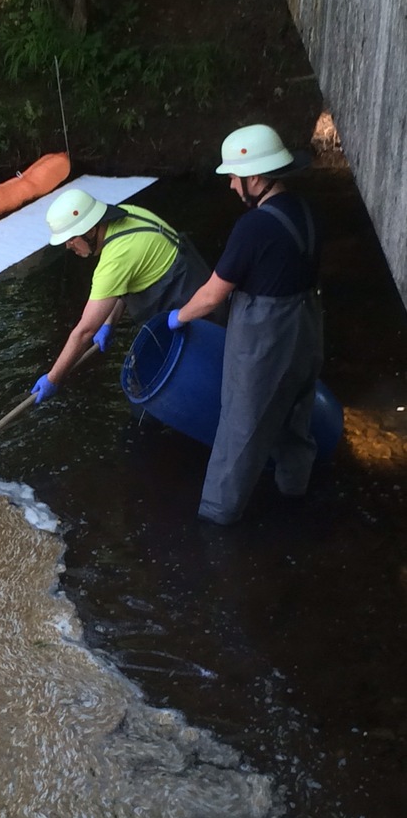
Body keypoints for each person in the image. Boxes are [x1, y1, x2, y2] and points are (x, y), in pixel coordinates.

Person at [166, 123, 323, 525]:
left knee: (241, 425)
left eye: (234, 177)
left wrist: (178, 317)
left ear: (255, 177)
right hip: (307, 325)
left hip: (266, 338)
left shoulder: (253, 226)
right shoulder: (304, 209)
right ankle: (296, 497)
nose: (232, 185)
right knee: (295, 414)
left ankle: (217, 519)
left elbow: (213, 294)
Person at [30, 188, 212, 403]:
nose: (69, 246)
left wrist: (54, 378)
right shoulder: (127, 213)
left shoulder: (115, 259)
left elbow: (84, 331)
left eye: (70, 239)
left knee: (190, 386)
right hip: (199, 287)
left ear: (89, 230)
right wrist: (110, 322)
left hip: (191, 311)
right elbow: (126, 279)